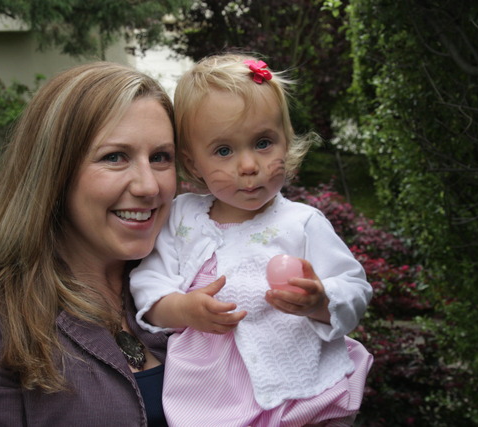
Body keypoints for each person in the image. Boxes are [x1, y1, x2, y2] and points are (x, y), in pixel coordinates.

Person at [0, 61, 178, 426]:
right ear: (54, 173)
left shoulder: (186, 284)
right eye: (115, 157)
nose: (149, 186)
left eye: (160, 157)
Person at [129, 53, 374, 427]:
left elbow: (354, 287)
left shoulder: (302, 223)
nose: (248, 166)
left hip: (300, 387)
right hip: (213, 396)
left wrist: (321, 300)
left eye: (263, 143)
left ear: (286, 143)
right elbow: (149, 283)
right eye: (224, 150)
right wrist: (182, 309)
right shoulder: (181, 217)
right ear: (193, 163)